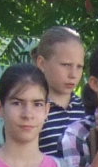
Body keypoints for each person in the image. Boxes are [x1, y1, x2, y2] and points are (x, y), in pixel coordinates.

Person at [33, 26, 86, 159]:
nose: (73, 74)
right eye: (66, 65)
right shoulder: (32, 110)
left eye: (79, 67)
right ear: (42, 63)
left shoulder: (87, 109)